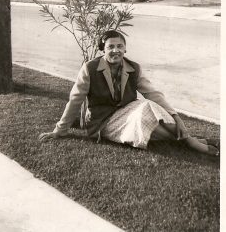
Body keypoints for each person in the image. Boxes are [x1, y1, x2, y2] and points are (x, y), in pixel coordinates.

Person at [39, 30, 219, 156]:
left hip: (129, 113)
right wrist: (59, 130)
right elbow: (75, 100)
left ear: (125, 49)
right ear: (103, 49)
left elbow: (153, 94)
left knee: (149, 108)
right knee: (148, 115)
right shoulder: (90, 68)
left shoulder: (133, 68)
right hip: (103, 121)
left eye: (120, 46)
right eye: (110, 47)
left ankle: (189, 140)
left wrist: (177, 118)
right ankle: (193, 142)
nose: (115, 50)